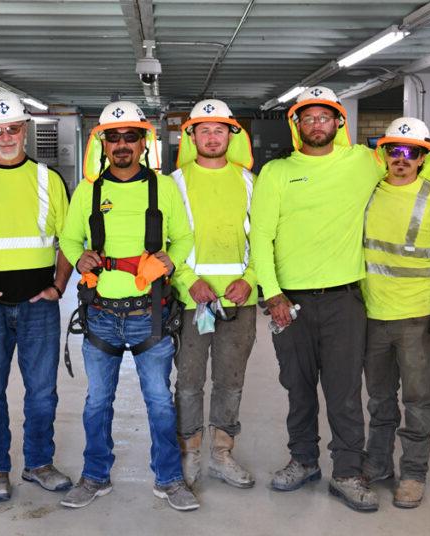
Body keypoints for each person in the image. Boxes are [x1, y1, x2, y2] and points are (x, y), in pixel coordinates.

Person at [249, 86, 430, 512]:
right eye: (307, 118)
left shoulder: (363, 162)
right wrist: (272, 295)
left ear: (338, 122)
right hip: (289, 301)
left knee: (345, 392)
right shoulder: (276, 173)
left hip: (346, 301)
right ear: (297, 125)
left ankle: (346, 472)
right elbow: (261, 237)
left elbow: (416, 172)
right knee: (298, 388)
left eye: (324, 117)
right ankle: (303, 460)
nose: (316, 124)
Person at [58, 101, 199, 511]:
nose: (122, 144)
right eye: (113, 137)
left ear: (142, 142)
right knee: (97, 402)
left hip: (149, 313)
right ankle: (95, 476)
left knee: (158, 399)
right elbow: (69, 240)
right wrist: (80, 257)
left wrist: (171, 260)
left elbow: (185, 238)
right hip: (101, 313)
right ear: (103, 142)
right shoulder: (89, 191)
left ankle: (170, 479)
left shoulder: (164, 187)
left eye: (130, 136)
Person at [0, 91, 73, 503]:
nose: (5, 137)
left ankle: (39, 463)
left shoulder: (48, 179)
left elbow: (69, 240)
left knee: (42, 391)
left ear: (25, 129)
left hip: (39, 307)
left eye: (13, 128)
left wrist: (58, 286)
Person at [360, 117, 430, 509]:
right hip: (372, 315)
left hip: (418, 318)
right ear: (383, 154)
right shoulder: (366, 192)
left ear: (423, 158)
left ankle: (414, 473)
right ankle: (378, 462)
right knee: (379, 398)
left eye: (411, 152)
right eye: (394, 150)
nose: (401, 158)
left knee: (418, 401)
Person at [170, 99, 257, 489]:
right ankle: (189, 454)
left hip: (240, 301)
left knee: (229, 381)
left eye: (219, 129)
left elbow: (264, 237)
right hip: (192, 301)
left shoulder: (249, 181)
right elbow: (168, 241)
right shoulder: (174, 183)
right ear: (191, 136)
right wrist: (188, 280)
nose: (211, 136)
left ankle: (222, 453)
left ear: (231, 135)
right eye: (202, 130)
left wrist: (251, 279)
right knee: (188, 381)